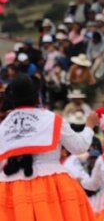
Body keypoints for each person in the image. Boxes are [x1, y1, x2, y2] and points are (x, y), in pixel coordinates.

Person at [0, 74, 98, 221]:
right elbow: (79, 146)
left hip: (12, 189)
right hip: (52, 185)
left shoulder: (4, 126)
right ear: (37, 97)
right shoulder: (51, 119)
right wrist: (89, 126)